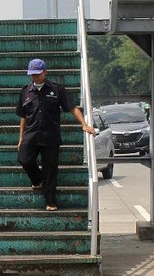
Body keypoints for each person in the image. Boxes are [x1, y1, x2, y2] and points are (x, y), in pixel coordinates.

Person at [16, 58, 95, 211]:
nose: (35, 77)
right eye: (32, 75)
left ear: (45, 72)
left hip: (50, 136)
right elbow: (23, 117)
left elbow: (72, 108)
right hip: (31, 134)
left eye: (38, 74)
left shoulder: (56, 89)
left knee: (50, 170)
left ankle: (50, 201)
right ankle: (37, 179)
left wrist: (84, 125)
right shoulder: (25, 90)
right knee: (24, 159)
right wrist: (21, 138)